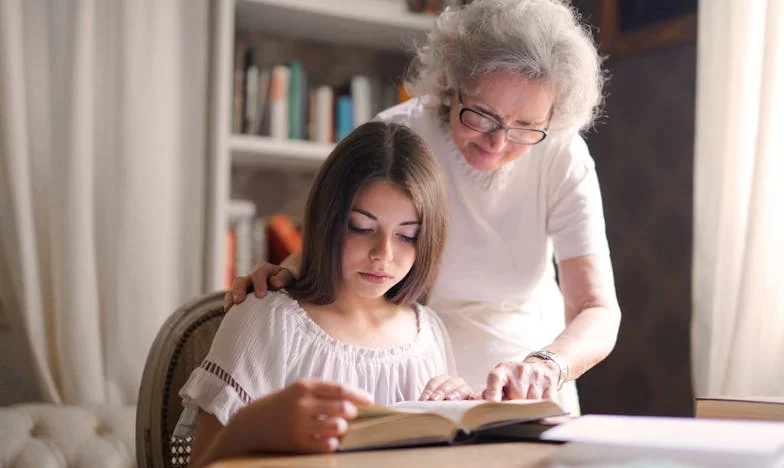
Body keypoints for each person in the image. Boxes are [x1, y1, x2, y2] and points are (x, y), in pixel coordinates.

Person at [227, 0, 621, 416]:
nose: (498, 142)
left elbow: (597, 309)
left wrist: (549, 365)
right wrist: (286, 270)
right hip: (417, 370)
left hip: (528, 380)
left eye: (525, 126)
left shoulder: (561, 154)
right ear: (452, 86)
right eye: (482, 116)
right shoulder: (399, 135)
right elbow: (347, 234)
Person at [177, 122, 472, 467]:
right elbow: (202, 463)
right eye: (361, 228)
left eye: (407, 235)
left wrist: (457, 415)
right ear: (328, 219)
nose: (383, 254)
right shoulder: (269, 322)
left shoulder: (429, 333)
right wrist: (256, 425)